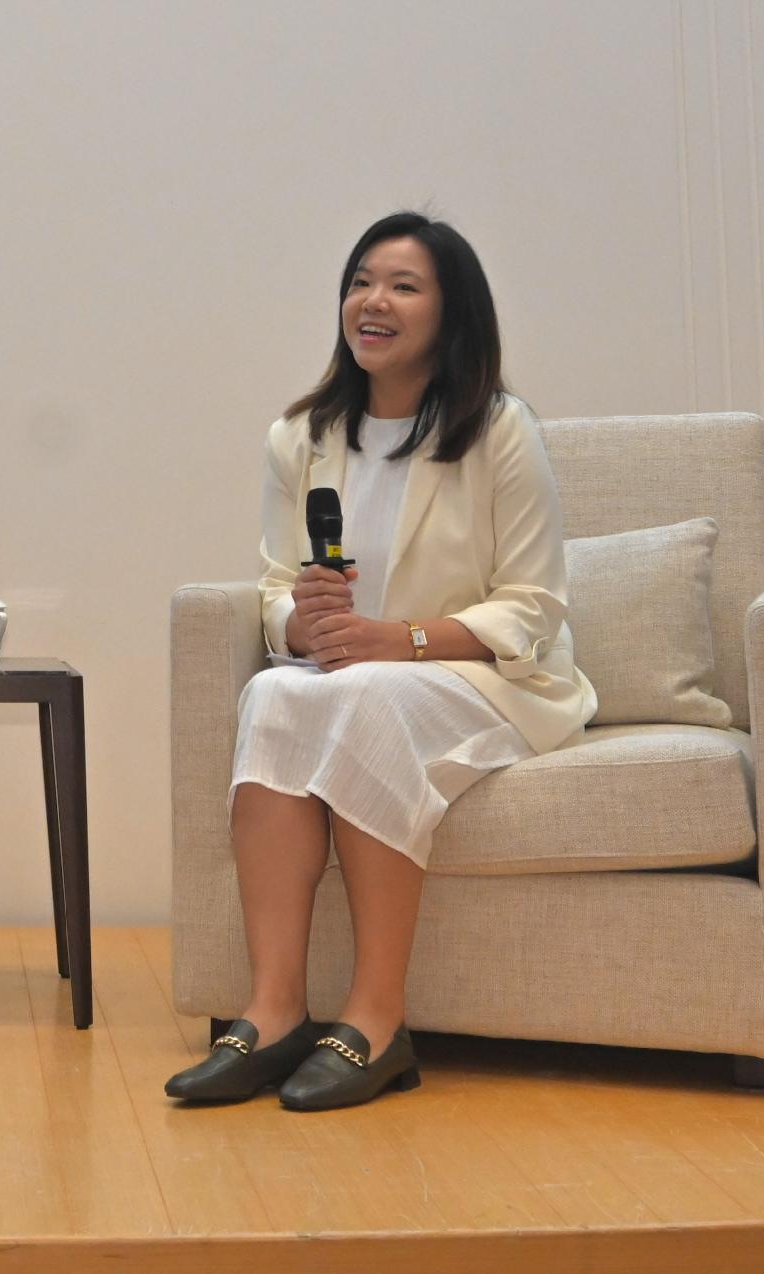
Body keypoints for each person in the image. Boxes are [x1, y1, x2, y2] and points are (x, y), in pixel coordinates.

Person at [166, 212, 594, 1111]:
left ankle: (377, 1020)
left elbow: (534, 606)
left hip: (487, 678)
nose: (374, 300)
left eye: (404, 285)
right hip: (355, 674)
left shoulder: (500, 430)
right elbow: (275, 583)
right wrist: (302, 628)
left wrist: (396, 639)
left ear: (452, 312)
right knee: (277, 695)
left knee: (360, 695)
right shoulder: (302, 435)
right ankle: (275, 1011)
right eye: (362, 280)